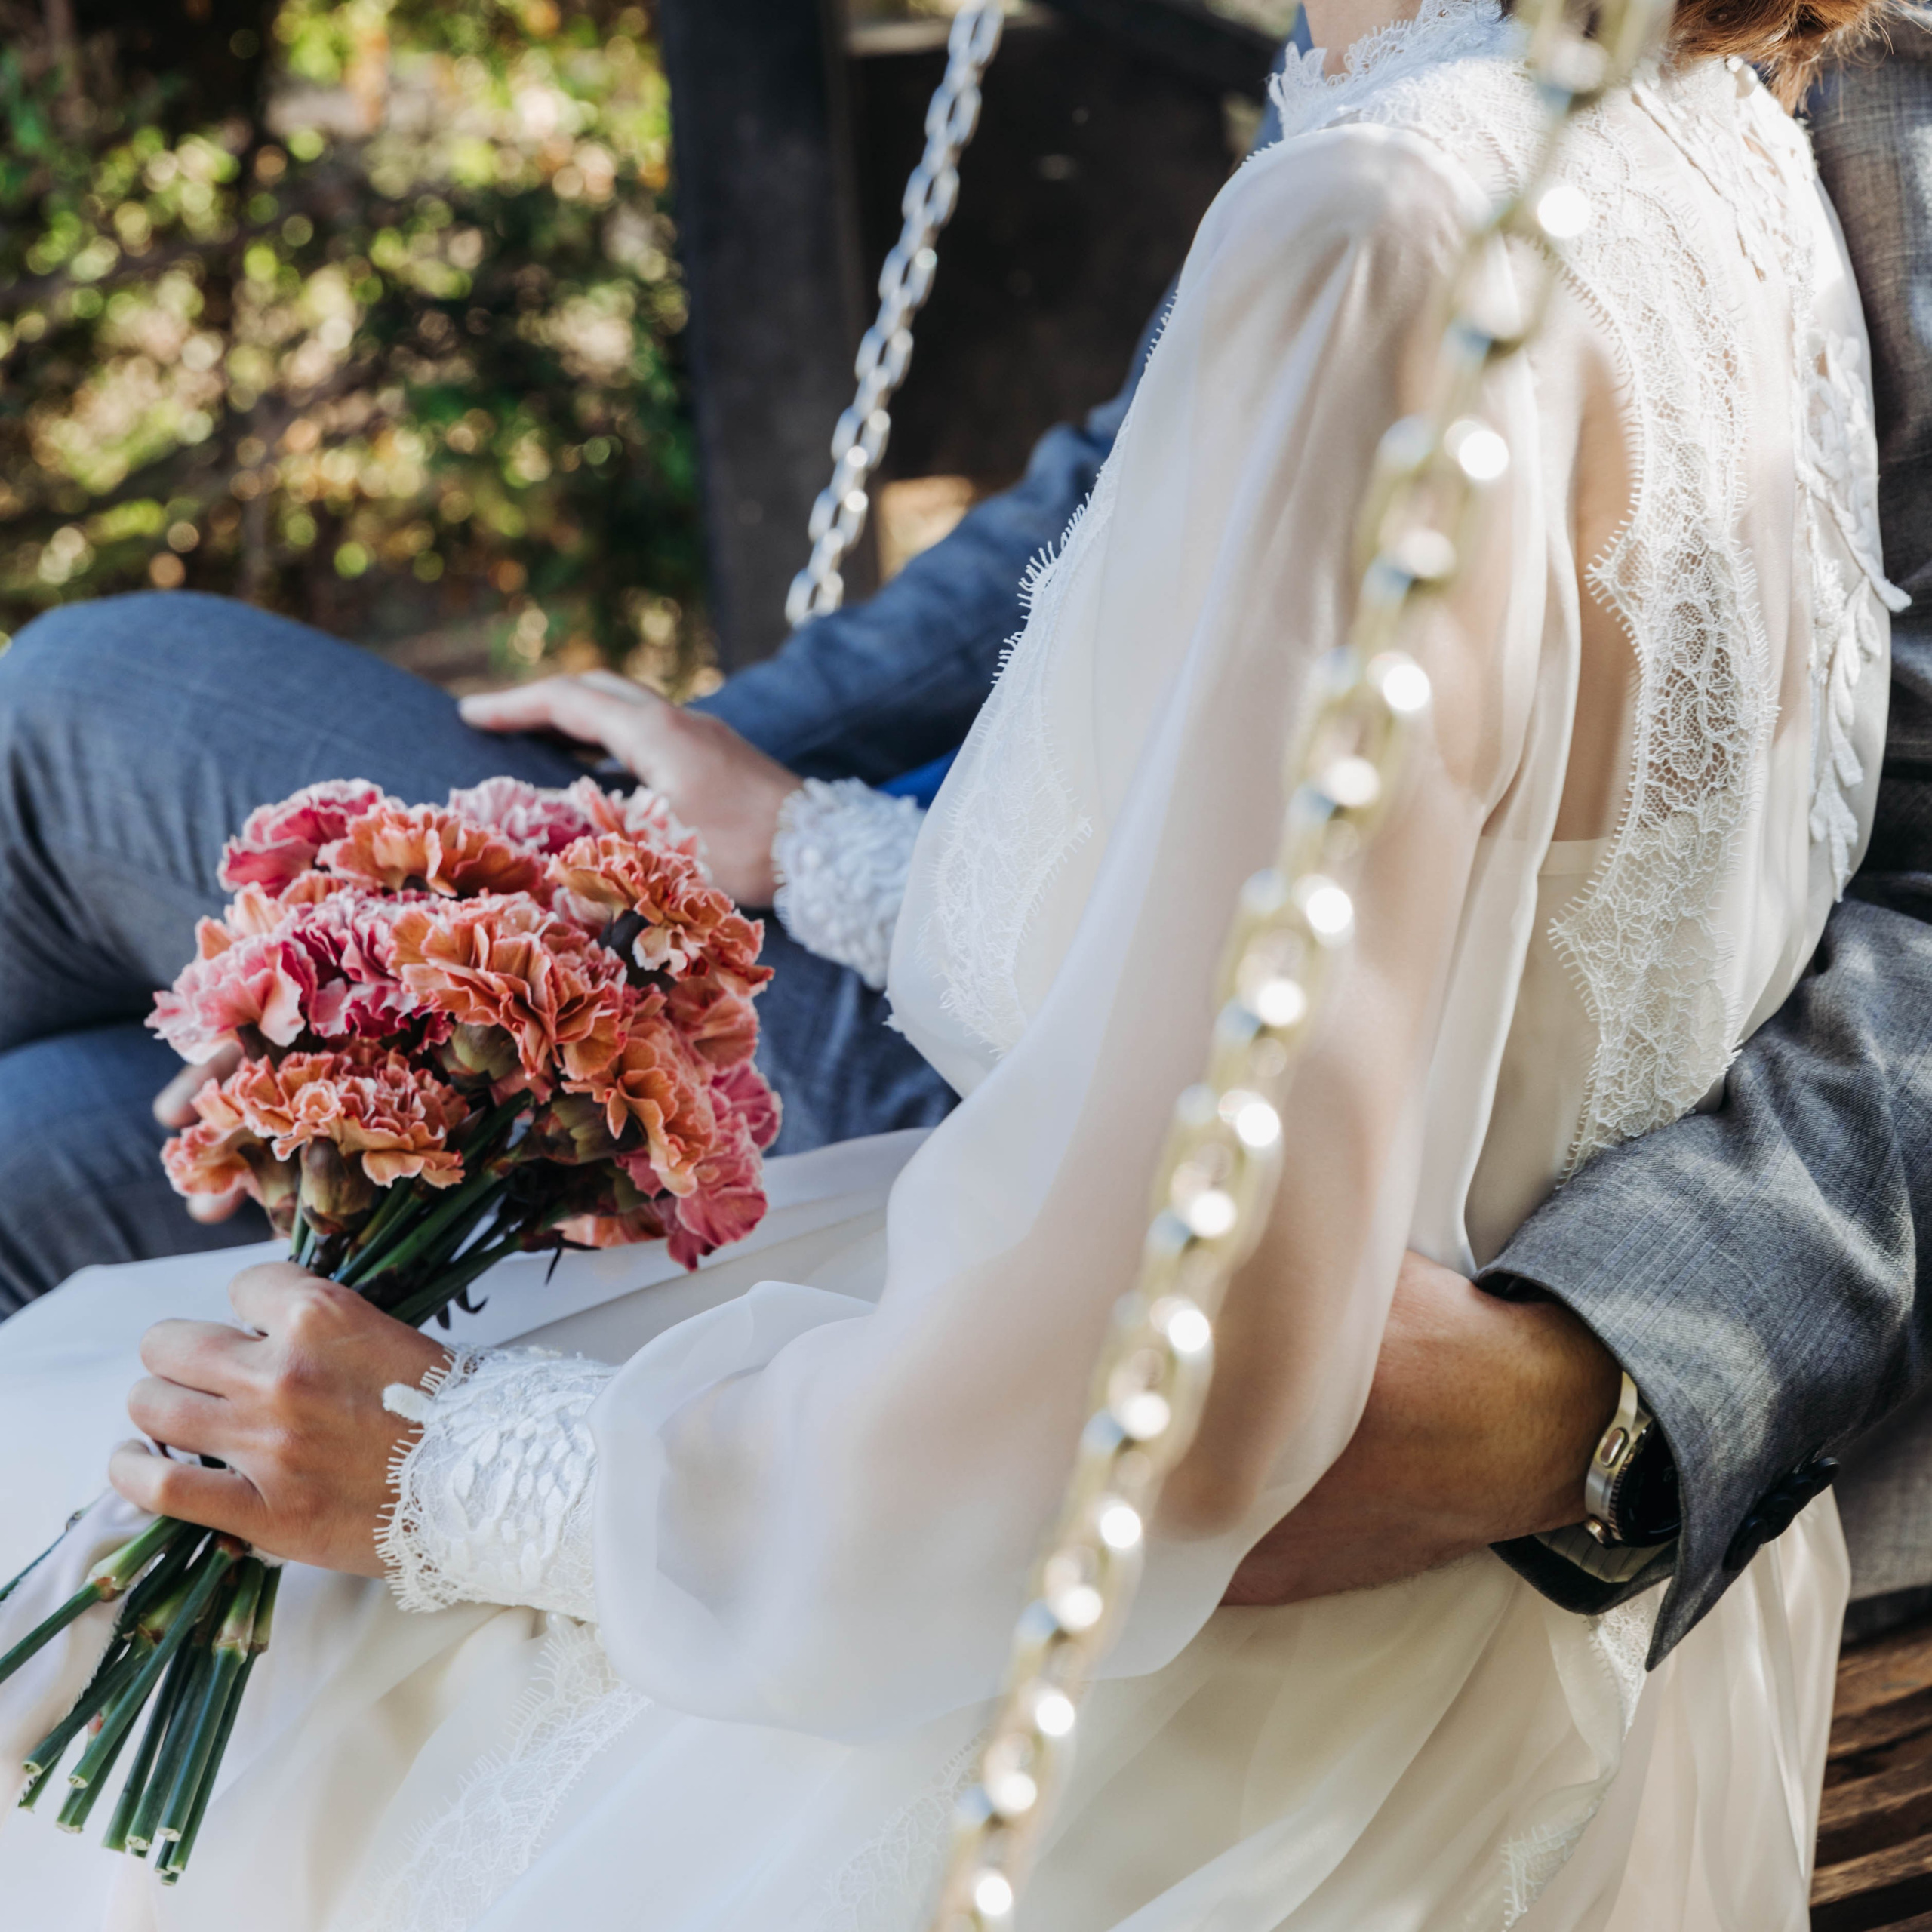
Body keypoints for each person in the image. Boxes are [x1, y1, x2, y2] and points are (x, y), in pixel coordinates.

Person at [0, 0, 1903, 1923]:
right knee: (56, 1141)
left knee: (80, 778)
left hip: (1160, 1653)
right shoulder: (1722, 156)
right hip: (1484, 1665)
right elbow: (1379, 924)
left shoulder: (1378, 236)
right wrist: (798, 843)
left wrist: (449, 1471)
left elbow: (1161, 1381)